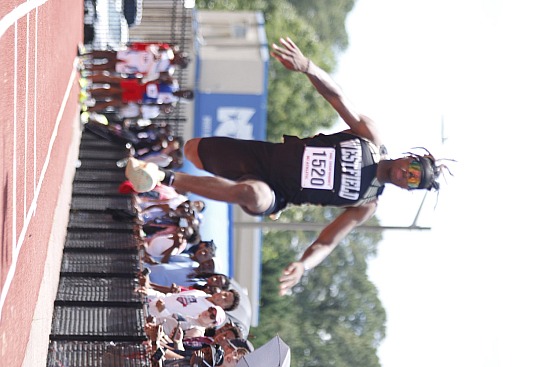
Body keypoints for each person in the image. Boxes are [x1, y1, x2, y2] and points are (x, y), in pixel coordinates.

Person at [125, 37, 449, 296]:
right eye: (414, 169)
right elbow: (337, 97)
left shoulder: (367, 203)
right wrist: (308, 67)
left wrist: (304, 265)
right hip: (265, 157)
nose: (407, 175)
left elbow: (327, 241)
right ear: (410, 157)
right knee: (194, 150)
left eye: (413, 182)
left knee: (251, 195)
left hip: (277, 192)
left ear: (408, 188)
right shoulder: (369, 138)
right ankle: (160, 162)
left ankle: (163, 177)